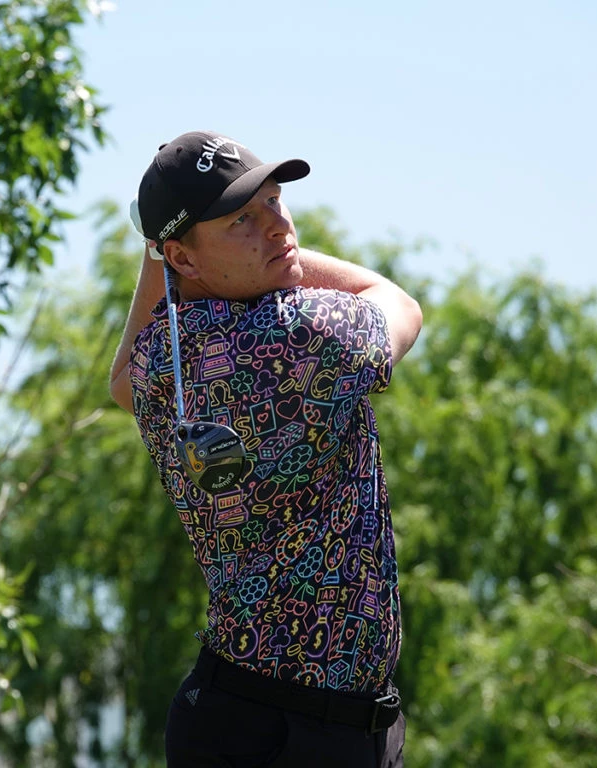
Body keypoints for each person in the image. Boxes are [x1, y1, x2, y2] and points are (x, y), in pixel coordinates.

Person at [109, 130, 422, 767]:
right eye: (243, 220)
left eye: (277, 202)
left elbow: (120, 385)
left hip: (240, 715)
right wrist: (292, 262)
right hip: (299, 733)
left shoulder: (162, 358)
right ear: (186, 257)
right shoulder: (303, 332)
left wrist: (161, 257)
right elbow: (400, 304)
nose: (278, 226)